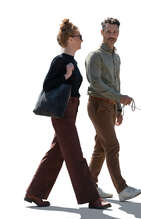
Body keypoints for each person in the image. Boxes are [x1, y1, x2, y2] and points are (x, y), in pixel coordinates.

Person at [24, 19, 111, 209]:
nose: (82, 39)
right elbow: (48, 85)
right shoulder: (61, 60)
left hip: (70, 111)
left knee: (56, 153)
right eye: (79, 36)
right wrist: (66, 76)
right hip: (62, 113)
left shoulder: (71, 61)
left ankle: (35, 192)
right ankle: (92, 198)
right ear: (70, 39)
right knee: (75, 154)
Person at [85, 17, 141, 201]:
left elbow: (116, 84)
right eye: (108, 32)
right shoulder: (94, 56)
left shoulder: (116, 57)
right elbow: (96, 83)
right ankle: (122, 189)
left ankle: (89, 187)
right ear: (101, 32)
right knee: (112, 146)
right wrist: (120, 98)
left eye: (115, 32)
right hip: (98, 104)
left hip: (110, 107)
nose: (112, 35)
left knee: (101, 147)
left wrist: (118, 109)